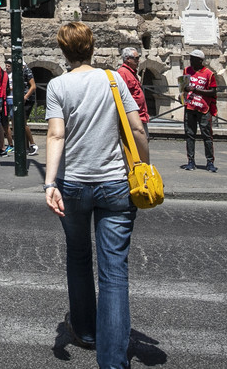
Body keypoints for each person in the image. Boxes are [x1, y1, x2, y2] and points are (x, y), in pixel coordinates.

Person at [44, 21, 147, 369]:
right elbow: (136, 127)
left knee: (77, 256)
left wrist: (50, 183)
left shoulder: (57, 85)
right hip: (116, 182)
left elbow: (56, 137)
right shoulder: (113, 79)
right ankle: (113, 361)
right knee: (114, 272)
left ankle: (86, 331)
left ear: (63, 51)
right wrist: (144, 168)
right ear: (92, 47)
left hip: (73, 183)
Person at [179, 50, 218, 173]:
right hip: (190, 107)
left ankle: (210, 162)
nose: (191, 61)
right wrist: (182, 94)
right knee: (190, 135)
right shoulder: (187, 70)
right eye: (190, 58)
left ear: (200, 60)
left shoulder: (209, 74)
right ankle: (191, 161)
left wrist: (195, 90)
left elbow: (213, 92)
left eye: (193, 59)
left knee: (207, 136)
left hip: (203, 108)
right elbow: (183, 86)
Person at [117, 48, 150, 124]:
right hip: (133, 119)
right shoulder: (123, 73)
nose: (138, 61)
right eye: (136, 58)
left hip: (140, 116)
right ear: (128, 59)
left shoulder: (132, 72)